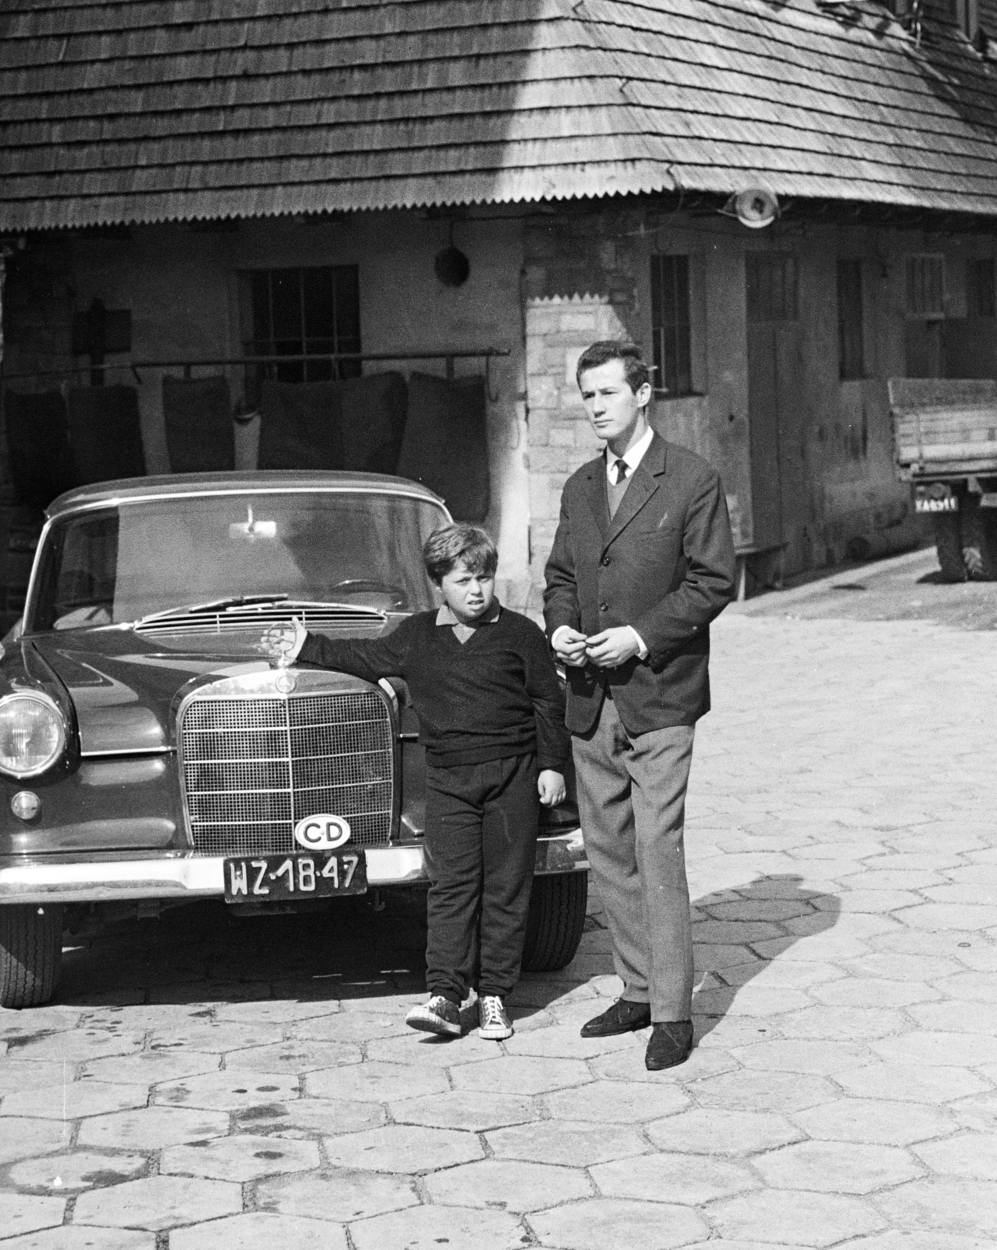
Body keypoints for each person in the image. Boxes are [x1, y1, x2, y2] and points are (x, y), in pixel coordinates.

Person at [285, 522, 569, 1041]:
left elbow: (548, 700)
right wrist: (308, 643)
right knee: (452, 886)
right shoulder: (417, 636)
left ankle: (495, 996)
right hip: (450, 780)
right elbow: (365, 659)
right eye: (463, 580)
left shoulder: (521, 634)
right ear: (439, 582)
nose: (477, 590)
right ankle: (444, 993)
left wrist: (551, 765)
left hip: (513, 776)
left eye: (484, 577)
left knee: (505, 887)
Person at [544, 339, 736, 1070]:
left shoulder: (690, 478)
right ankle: (634, 989)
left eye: (607, 394)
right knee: (610, 849)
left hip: (660, 696)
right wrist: (561, 624)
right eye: (586, 395)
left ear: (643, 393)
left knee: (658, 848)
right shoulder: (579, 487)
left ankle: (673, 1014)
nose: (595, 408)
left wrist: (638, 637)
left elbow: (713, 582)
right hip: (590, 698)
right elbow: (561, 572)